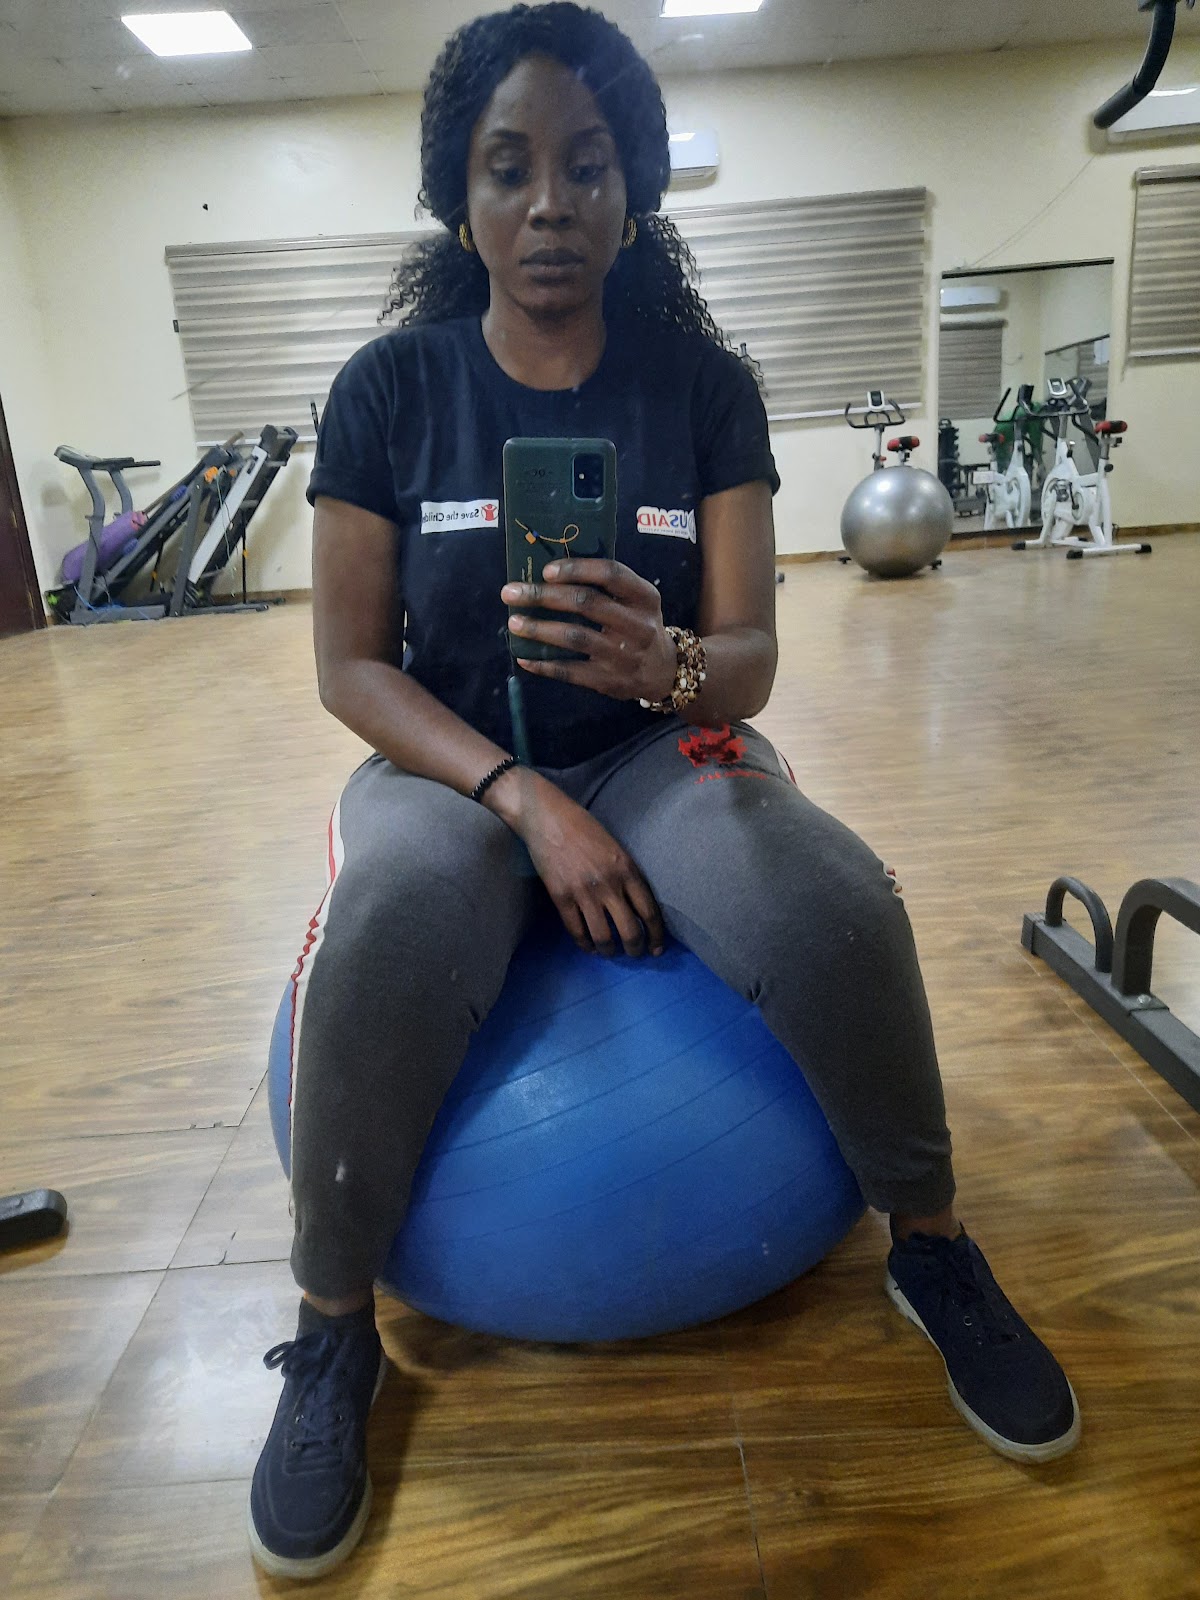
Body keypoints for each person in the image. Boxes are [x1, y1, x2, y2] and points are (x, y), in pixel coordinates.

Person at [248, 2, 1079, 1580]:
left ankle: (932, 1247)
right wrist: (520, 798)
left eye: (587, 164)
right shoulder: (387, 392)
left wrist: (667, 663)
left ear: (632, 191)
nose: (550, 203)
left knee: (830, 897)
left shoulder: (702, 388)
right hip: (452, 759)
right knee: (396, 915)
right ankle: (334, 1329)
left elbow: (748, 660)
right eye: (509, 168)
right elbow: (350, 668)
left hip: (654, 744)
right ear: (460, 197)